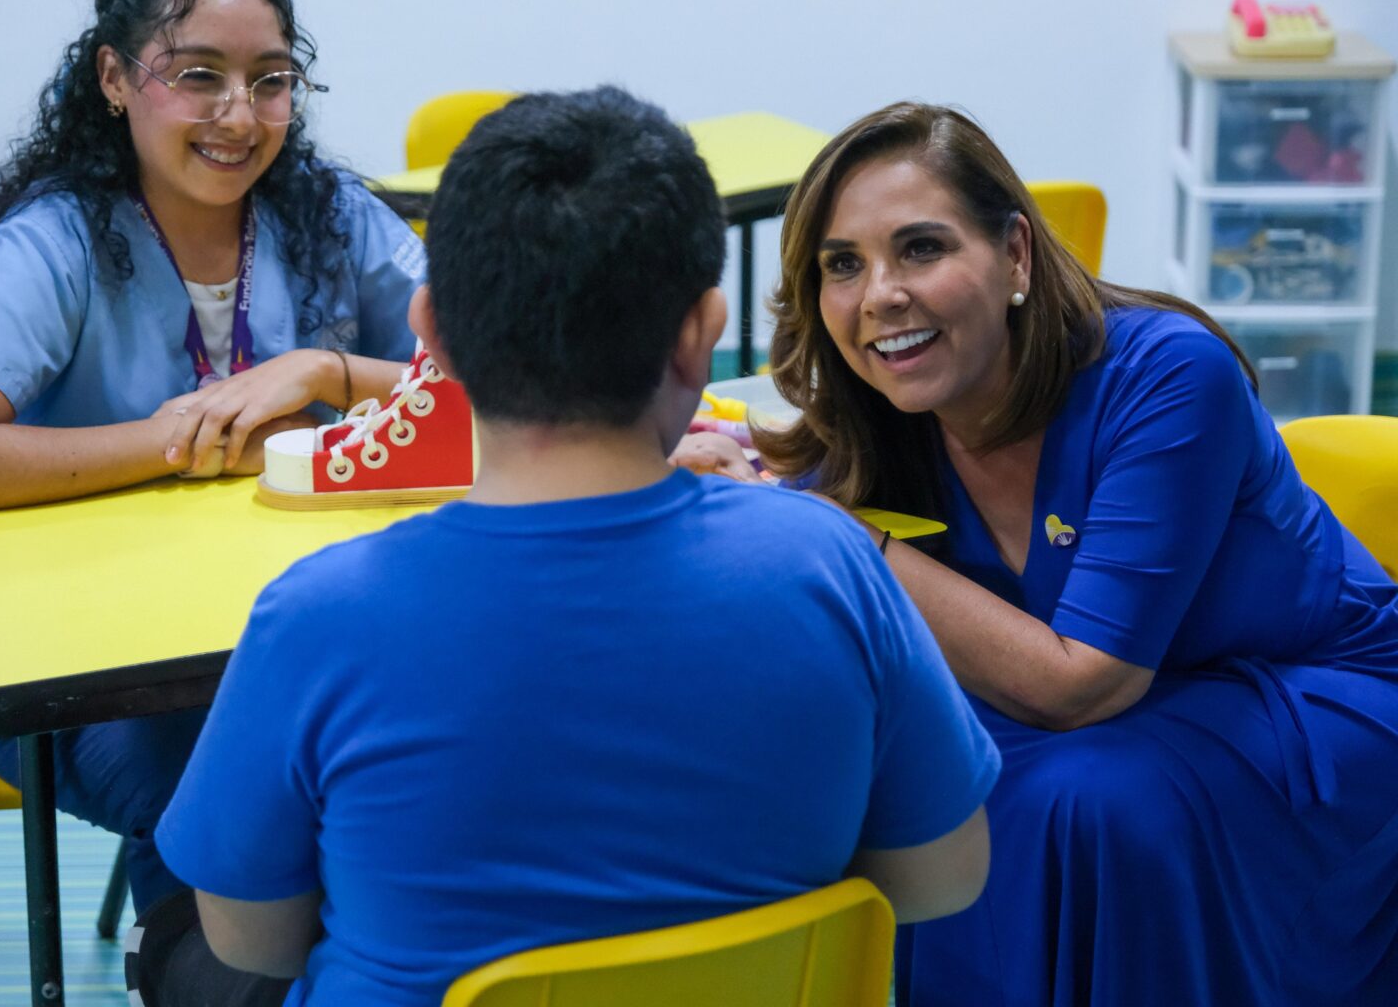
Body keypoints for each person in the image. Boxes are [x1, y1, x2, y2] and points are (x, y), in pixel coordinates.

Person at [149, 86, 1000, 1007]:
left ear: (432, 337)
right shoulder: (831, 565)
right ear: (700, 339)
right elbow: (940, 879)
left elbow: (252, 937)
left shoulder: (317, 615)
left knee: (180, 944)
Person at [675, 101, 1398, 1005]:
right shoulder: (890, 409)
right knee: (879, 763)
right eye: (843, 265)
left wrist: (829, 534)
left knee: (1072, 800)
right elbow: (806, 518)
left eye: (922, 248)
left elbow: (1081, 683)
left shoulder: (1171, 377)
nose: (880, 295)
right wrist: (703, 476)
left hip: (1310, 700)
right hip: (1125, 712)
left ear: (1015, 255)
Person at [0, 0, 424, 913]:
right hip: (42, 658)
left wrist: (325, 371)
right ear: (114, 77)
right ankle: (190, 960)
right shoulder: (55, 241)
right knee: (209, 768)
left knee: (400, 725)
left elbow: (496, 372)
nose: (238, 115)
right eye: (197, 76)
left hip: (251, 625)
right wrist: (184, 437)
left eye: (270, 81)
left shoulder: (325, 213)